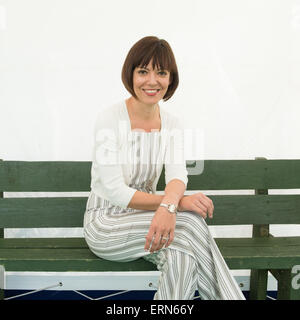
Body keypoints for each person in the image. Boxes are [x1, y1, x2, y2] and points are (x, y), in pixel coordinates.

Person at [83, 36, 245, 300]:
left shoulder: (172, 123)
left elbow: (178, 175)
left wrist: (168, 207)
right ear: (131, 74)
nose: (152, 81)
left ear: (171, 79)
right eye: (143, 71)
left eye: (161, 72)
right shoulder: (109, 119)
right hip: (106, 223)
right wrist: (172, 206)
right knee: (190, 224)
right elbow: (115, 192)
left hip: (152, 220)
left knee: (181, 255)